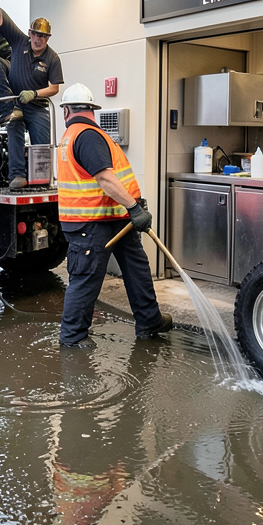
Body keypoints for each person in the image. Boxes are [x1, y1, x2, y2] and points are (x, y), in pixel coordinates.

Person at [55, 84, 172, 349]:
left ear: (66, 111)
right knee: (86, 278)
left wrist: (133, 207)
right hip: (93, 222)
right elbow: (104, 177)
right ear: (92, 110)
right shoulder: (87, 135)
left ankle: (149, 320)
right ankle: (73, 338)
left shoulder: (79, 135)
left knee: (136, 268)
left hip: (114, 219)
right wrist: (134, 208)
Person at [0, 0, 63, 189]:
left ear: (48, 38)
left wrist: (34, 94)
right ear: (30, 33)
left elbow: (54, 88)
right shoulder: (18, 41)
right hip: (15, 102)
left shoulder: (53, 58)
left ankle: (40, 179)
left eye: (44, 36)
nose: (39, 39)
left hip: (36, 106)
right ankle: (17, 174)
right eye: (36, 34)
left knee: (41, 150)